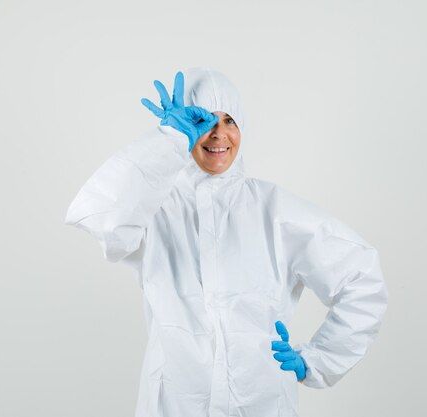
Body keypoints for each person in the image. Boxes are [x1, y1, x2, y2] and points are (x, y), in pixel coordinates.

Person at [64, 67, 388, 417]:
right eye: (202, 121)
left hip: (262, 404)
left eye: (229, 121)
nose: (218, 134)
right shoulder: (154, 208)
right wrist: (167, 143)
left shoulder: (274, 210)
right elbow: (98, 216)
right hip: (174, 404)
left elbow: (361, 277)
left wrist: (320, 359)